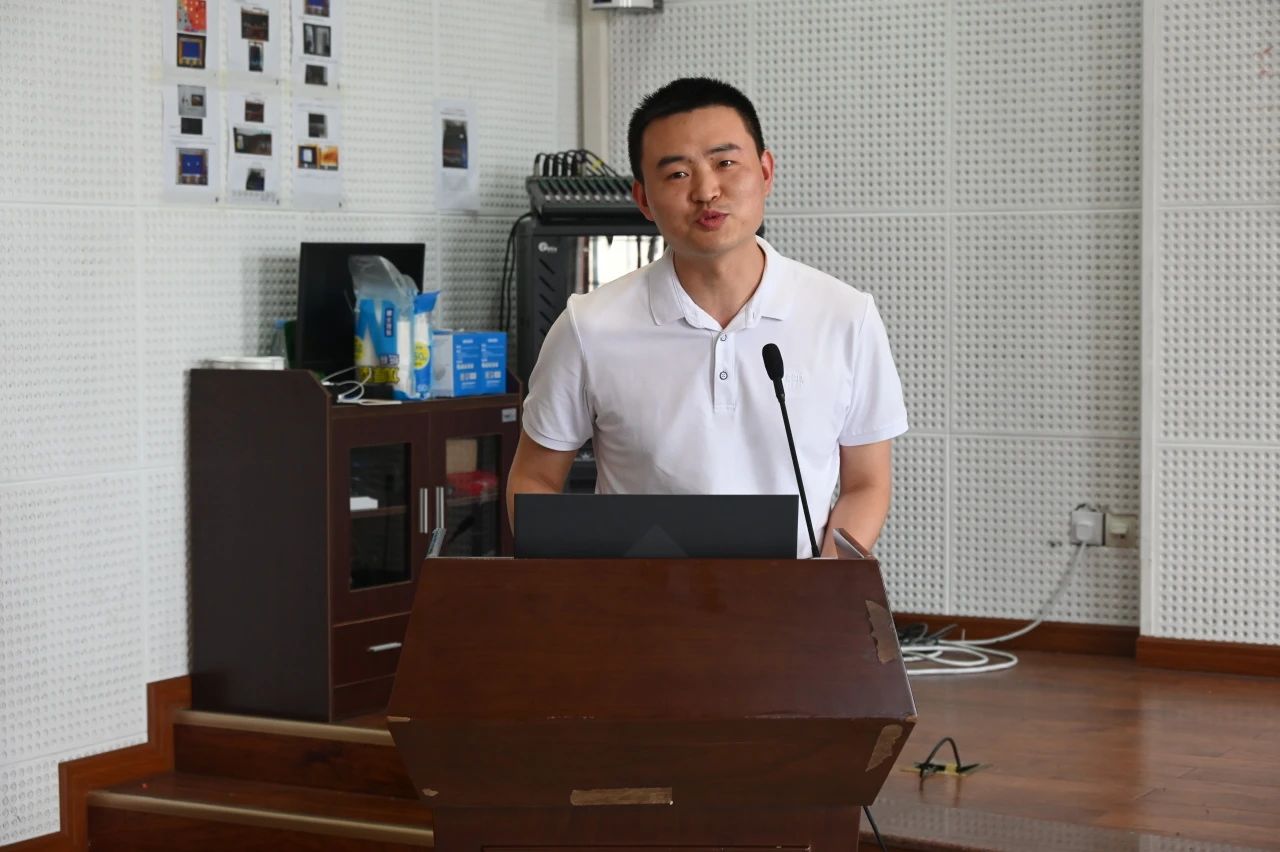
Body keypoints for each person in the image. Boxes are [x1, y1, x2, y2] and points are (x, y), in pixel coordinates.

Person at [506, 77, 907, 557]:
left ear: (765, 171)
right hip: (640, 598)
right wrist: (581, 586)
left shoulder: (847, 317)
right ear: (643, 199)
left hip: (793, 595)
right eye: (677, 174)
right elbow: (534, 477)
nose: (706, 191)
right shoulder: (587, 327)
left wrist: (825, 578)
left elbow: (866, 483)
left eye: (725, 163)